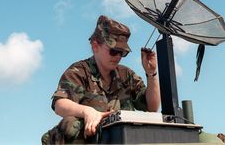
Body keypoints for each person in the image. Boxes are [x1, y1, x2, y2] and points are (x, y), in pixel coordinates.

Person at [41, 15, 161, 144]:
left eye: (122, 53)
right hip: (90, 140)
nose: (118, 57)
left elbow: (152, 107)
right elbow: (60, 104)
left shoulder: (126, 75)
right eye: (114, 51)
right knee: (71, 125)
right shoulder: (80, 71)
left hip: (118, 139)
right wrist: (87, 112)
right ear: (95, 46)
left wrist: (151, 73)